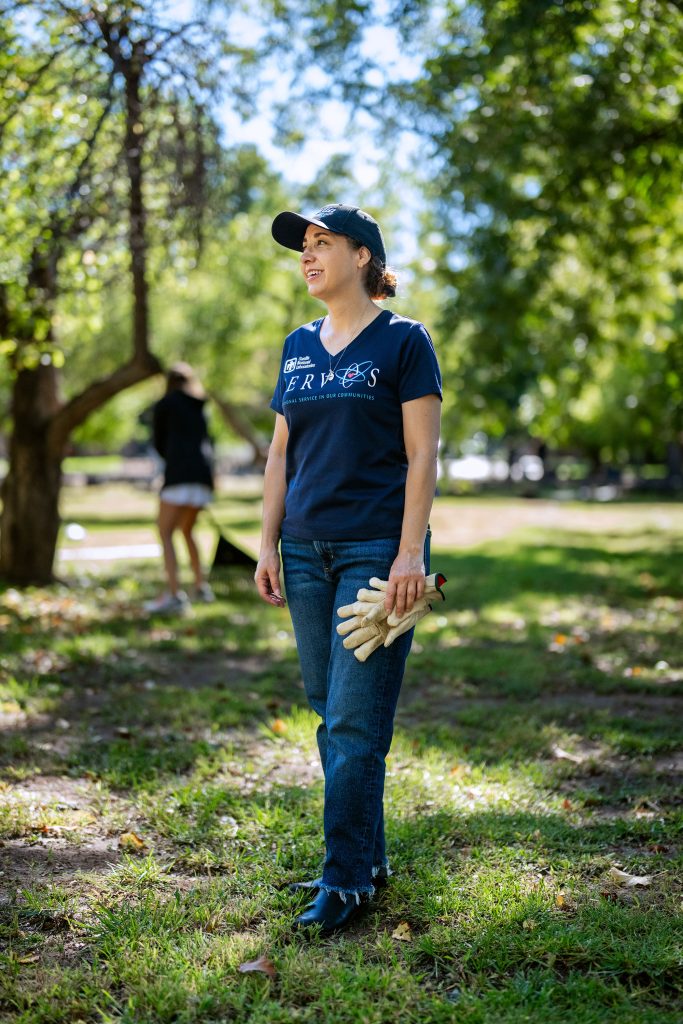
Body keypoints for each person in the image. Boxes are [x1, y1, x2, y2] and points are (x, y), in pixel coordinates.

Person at [255, 204, 442, 934]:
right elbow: (280, 454)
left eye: (321, 243)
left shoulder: (404, 341)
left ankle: (344, 882)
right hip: (304, 550)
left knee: (356, 725)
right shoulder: (297, 346)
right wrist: (267, 543)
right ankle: (365, 858)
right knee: (329, 713)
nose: (307, 256)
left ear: (362, 256)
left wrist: (409, 552)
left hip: (374, 552)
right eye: (303, 246)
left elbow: (423, 454)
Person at [144, 362, 215, 614]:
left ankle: (175, 594)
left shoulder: (165, 405)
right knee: (187, 530)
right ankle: (201, 585)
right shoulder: (200, 406)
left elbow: (159, 442)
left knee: (165, 532)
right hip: (202, 476)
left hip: (178, 475)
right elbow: (208, 442)